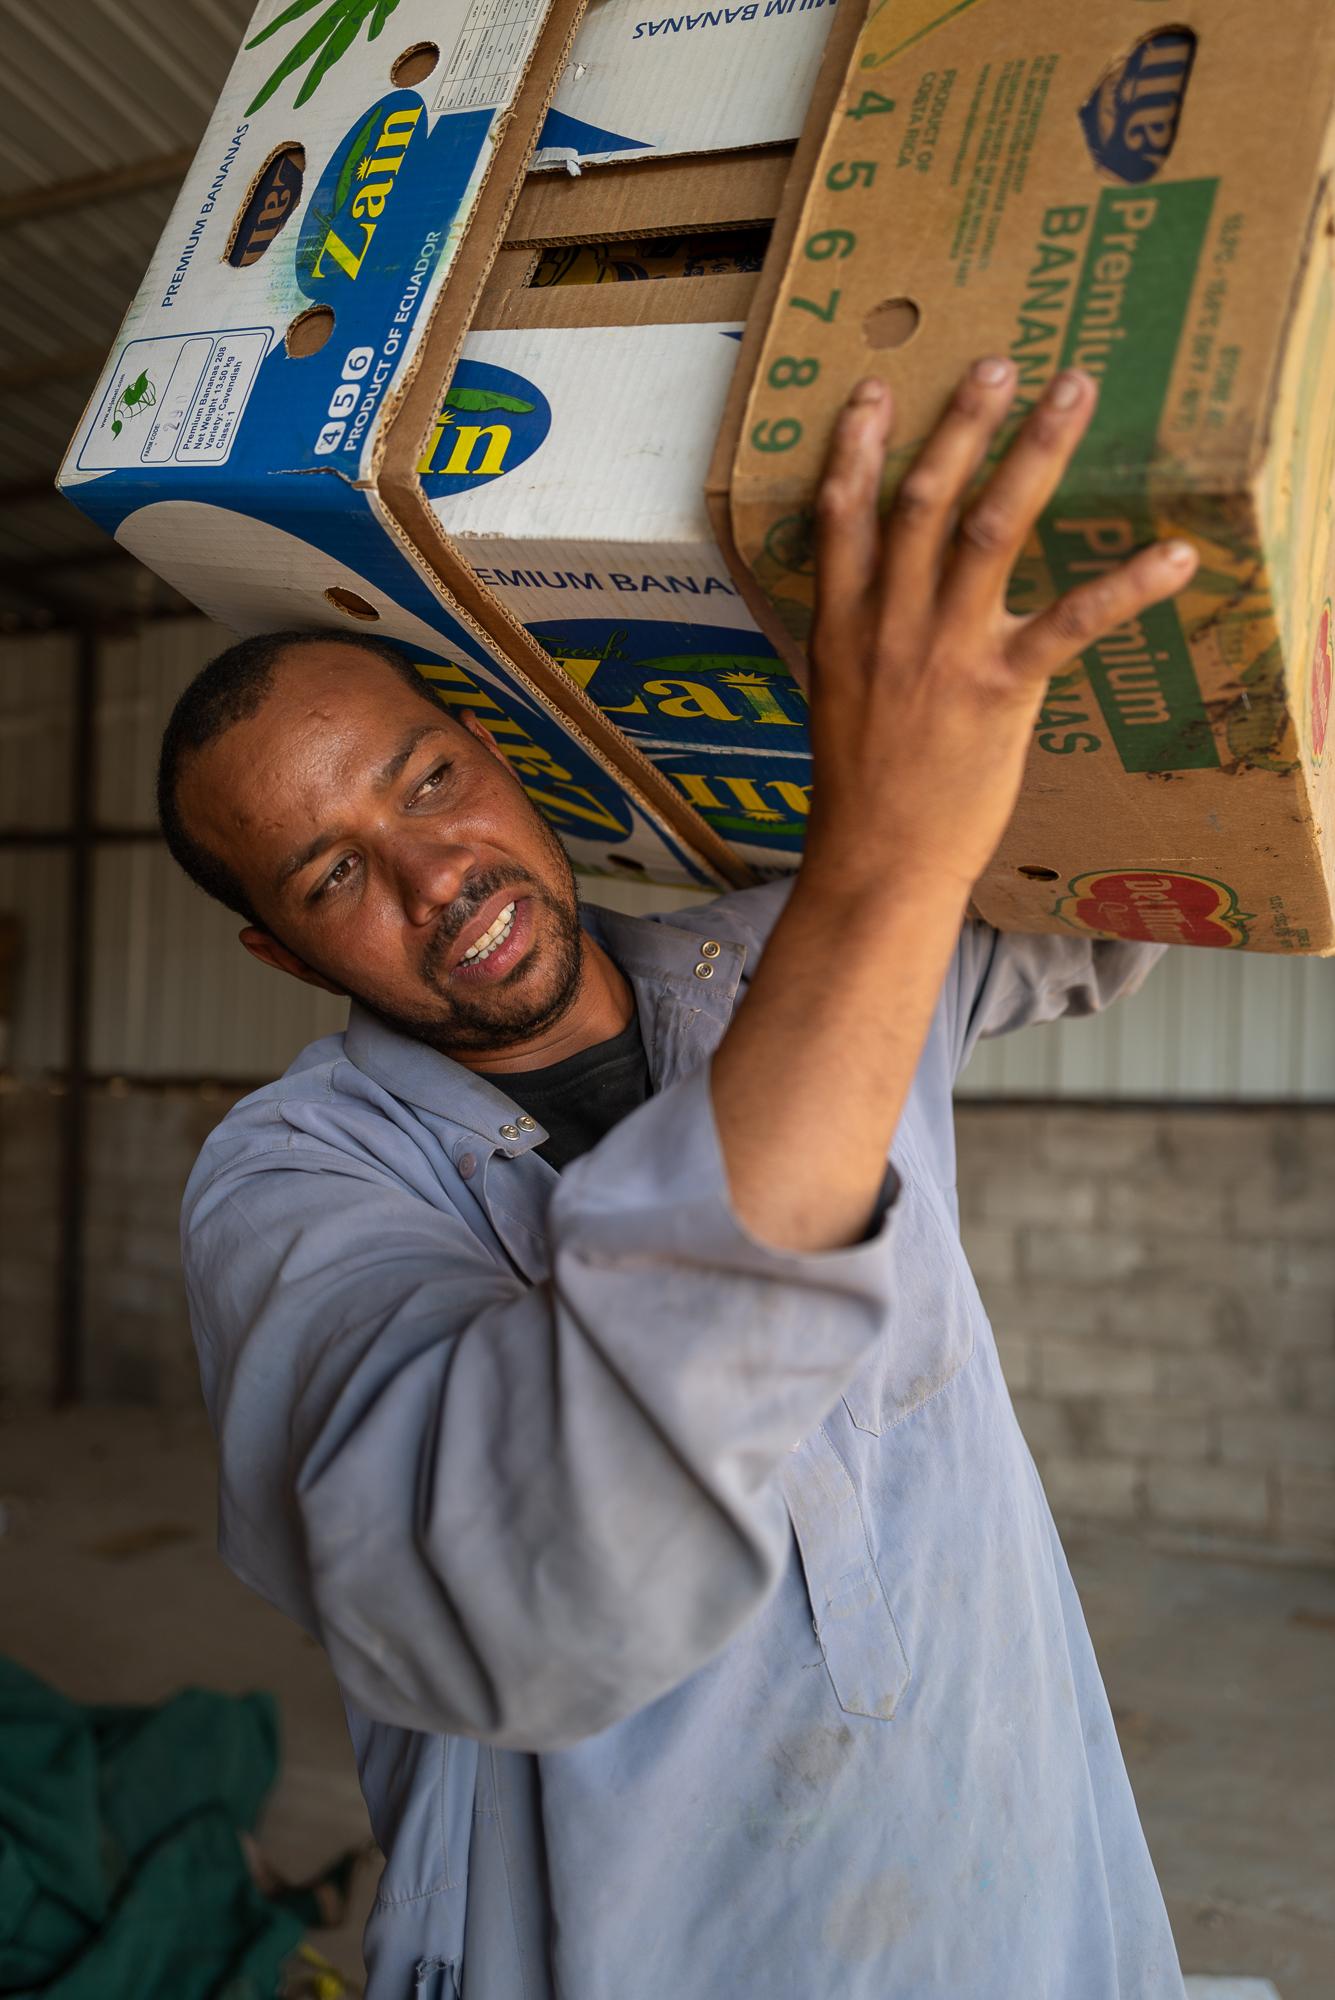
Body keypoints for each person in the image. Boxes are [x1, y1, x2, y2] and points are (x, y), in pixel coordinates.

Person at [162, 361, 1197, 1999]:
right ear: (271, 944)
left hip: (1018, 1891)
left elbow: (1133, 882)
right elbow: (518, 1575)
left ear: (493, 753)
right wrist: (885, 852)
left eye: (429, 780)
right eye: (336, 873)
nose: (441, 877)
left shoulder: (774, 951)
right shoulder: (288, 1190)